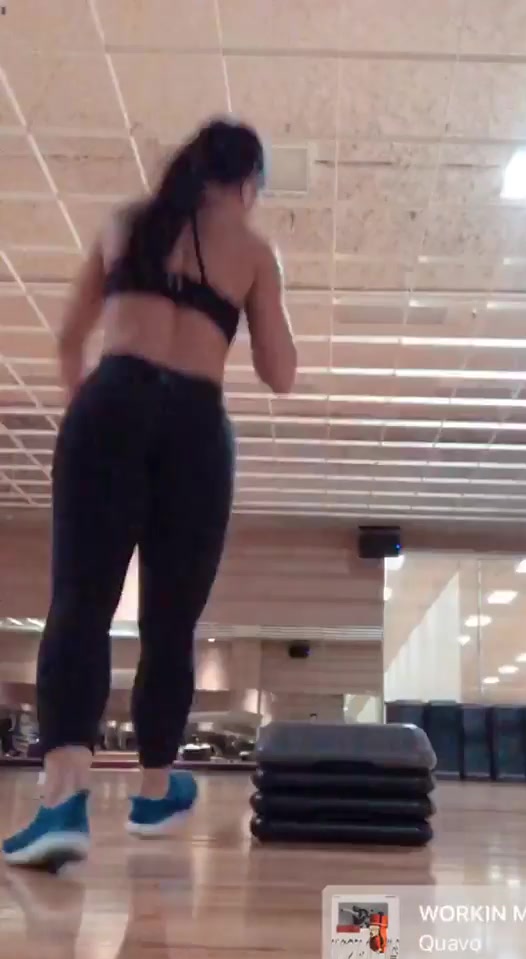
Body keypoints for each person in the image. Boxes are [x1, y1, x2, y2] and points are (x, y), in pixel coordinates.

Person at [3, 118, 297, 869]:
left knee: (80, 602)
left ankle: (63, 801)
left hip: (111, 403)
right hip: (197, 428)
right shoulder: (253, 251)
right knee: (172, 620)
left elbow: (69, 339)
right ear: (248, 183)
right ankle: (155, 790)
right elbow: (280, 372)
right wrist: (259, 288)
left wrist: (95, 412)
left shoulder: (126, 224)